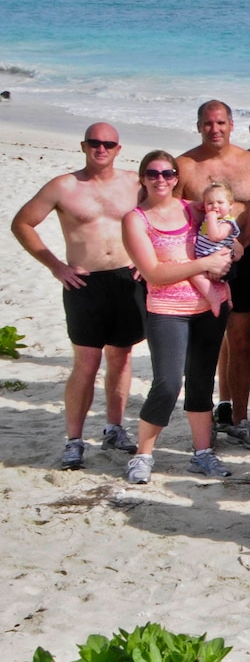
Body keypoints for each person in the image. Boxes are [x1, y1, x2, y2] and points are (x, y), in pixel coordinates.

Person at [12, 123, 144, 468]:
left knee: (122, 358)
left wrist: (150, 262)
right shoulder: (64, 186)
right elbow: (22, 223)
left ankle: (114, 428)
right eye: (95, 143)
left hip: (127, 280)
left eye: (108, 144)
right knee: (86, 363)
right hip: (83, 283)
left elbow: (163, 215)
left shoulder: (134, 182)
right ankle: (74, 440)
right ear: (84, 146)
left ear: (118, 149)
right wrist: (55, 266)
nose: (101, 149)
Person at [121, 151, 236, 483]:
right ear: (142, 178)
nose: (161, 180)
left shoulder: (193, 208)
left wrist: (234, 250)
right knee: (167, 384)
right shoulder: (135, 219)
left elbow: (227, 226)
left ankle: (202, 453)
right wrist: (204, 265)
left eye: (168, 174)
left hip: (209, 310)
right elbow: (154, 273)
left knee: (201, 383)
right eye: (153, 174)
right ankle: (143, 455)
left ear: (176, 178)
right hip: (166, 311)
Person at [177, 99, 250, 448]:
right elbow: (169, 216)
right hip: (199, 263)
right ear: (198, 125)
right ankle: (204, 416)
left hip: (242, 261)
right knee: (203, 342)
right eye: (207, 123)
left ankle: (240, 418)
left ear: (232, 124)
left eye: (220, 122)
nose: (214, 129)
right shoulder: (185, 165)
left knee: (242, 341)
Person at [187, 181, 242, 315]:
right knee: (223, 283)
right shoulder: (210, 220)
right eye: (210, 203)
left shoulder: (228, 223)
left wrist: (211, 218)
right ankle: (228, 300)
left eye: (220, 202)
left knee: (195, 275)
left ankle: (214, 299)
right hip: (210, 261)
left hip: (222, 264)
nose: (215, 206)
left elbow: (215, 236)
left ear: (230, 205)